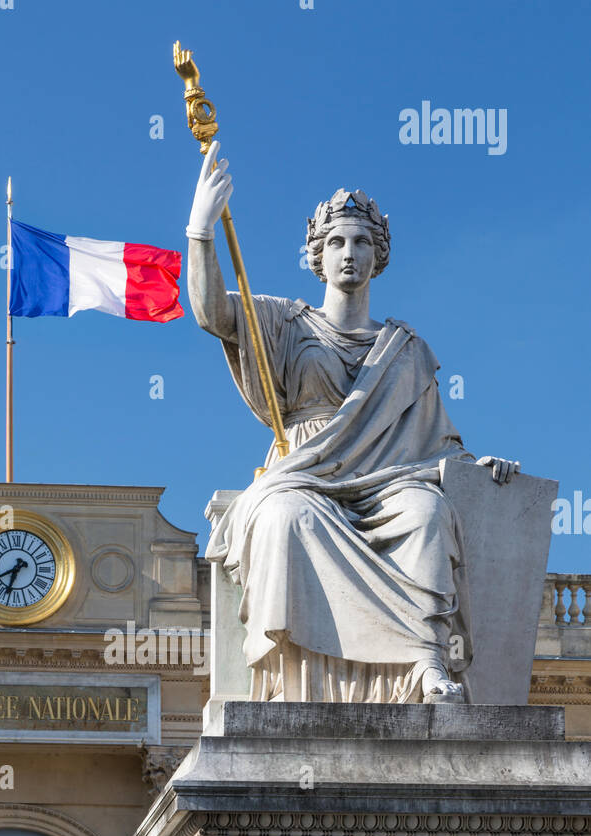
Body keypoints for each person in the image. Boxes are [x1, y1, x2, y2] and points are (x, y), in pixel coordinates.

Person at [187, 143, 520, 704]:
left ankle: (426, 664)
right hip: (306, 473)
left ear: (378, 255)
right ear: (317, 254)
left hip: (391, 479)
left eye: (362, 242)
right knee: (286, 516)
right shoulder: (282, 320)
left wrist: (473, 467)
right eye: (337, 241)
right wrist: (200, 231)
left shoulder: (406, 349)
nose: (349, 252)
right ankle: (295, 679)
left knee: (428, 512)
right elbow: (210, 313)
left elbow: (437, 441)